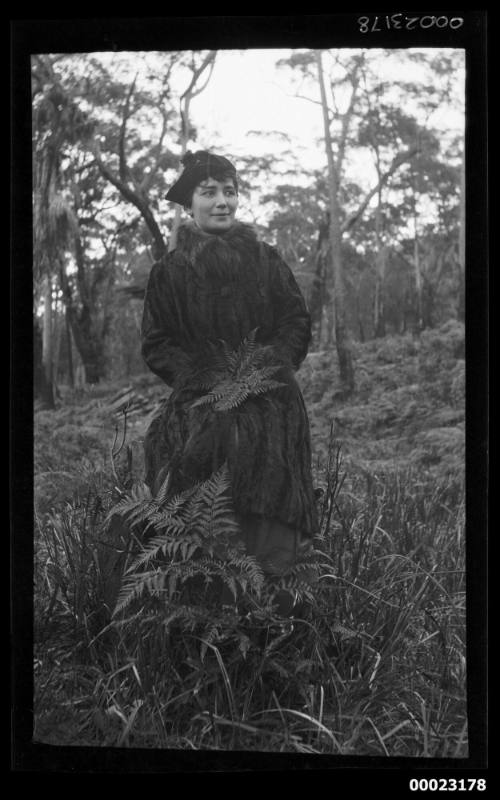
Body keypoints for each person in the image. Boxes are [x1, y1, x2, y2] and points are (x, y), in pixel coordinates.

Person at [141, 150, 318, 613]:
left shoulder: (266, 260)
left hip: (272, 398)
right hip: (199, 401)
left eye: (230, 191)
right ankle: (203, 608)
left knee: (271, 472)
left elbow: (295, 320)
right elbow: (158, 342)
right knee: (187, 465)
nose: (223, 202)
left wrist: (269, 368)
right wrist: (200, 380)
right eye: (210, 192)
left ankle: (276, 609)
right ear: (188, 204)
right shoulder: (169, 272)